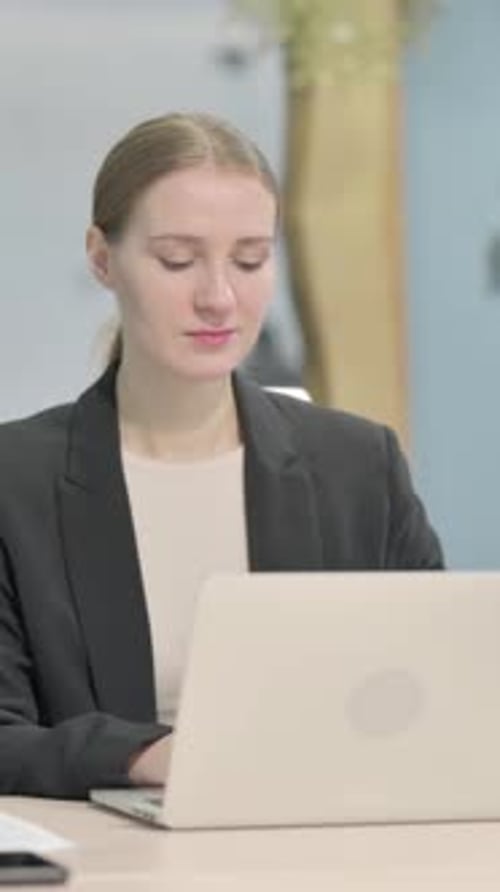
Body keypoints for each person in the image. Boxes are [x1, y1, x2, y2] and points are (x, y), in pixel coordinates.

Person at [0, 112, 444, 799]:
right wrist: (146, 756)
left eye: (250, 259)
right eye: (177, 260)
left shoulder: (360, 467)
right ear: (101, 257)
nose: (219, 297)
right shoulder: (13, 480)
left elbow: (434, 698)